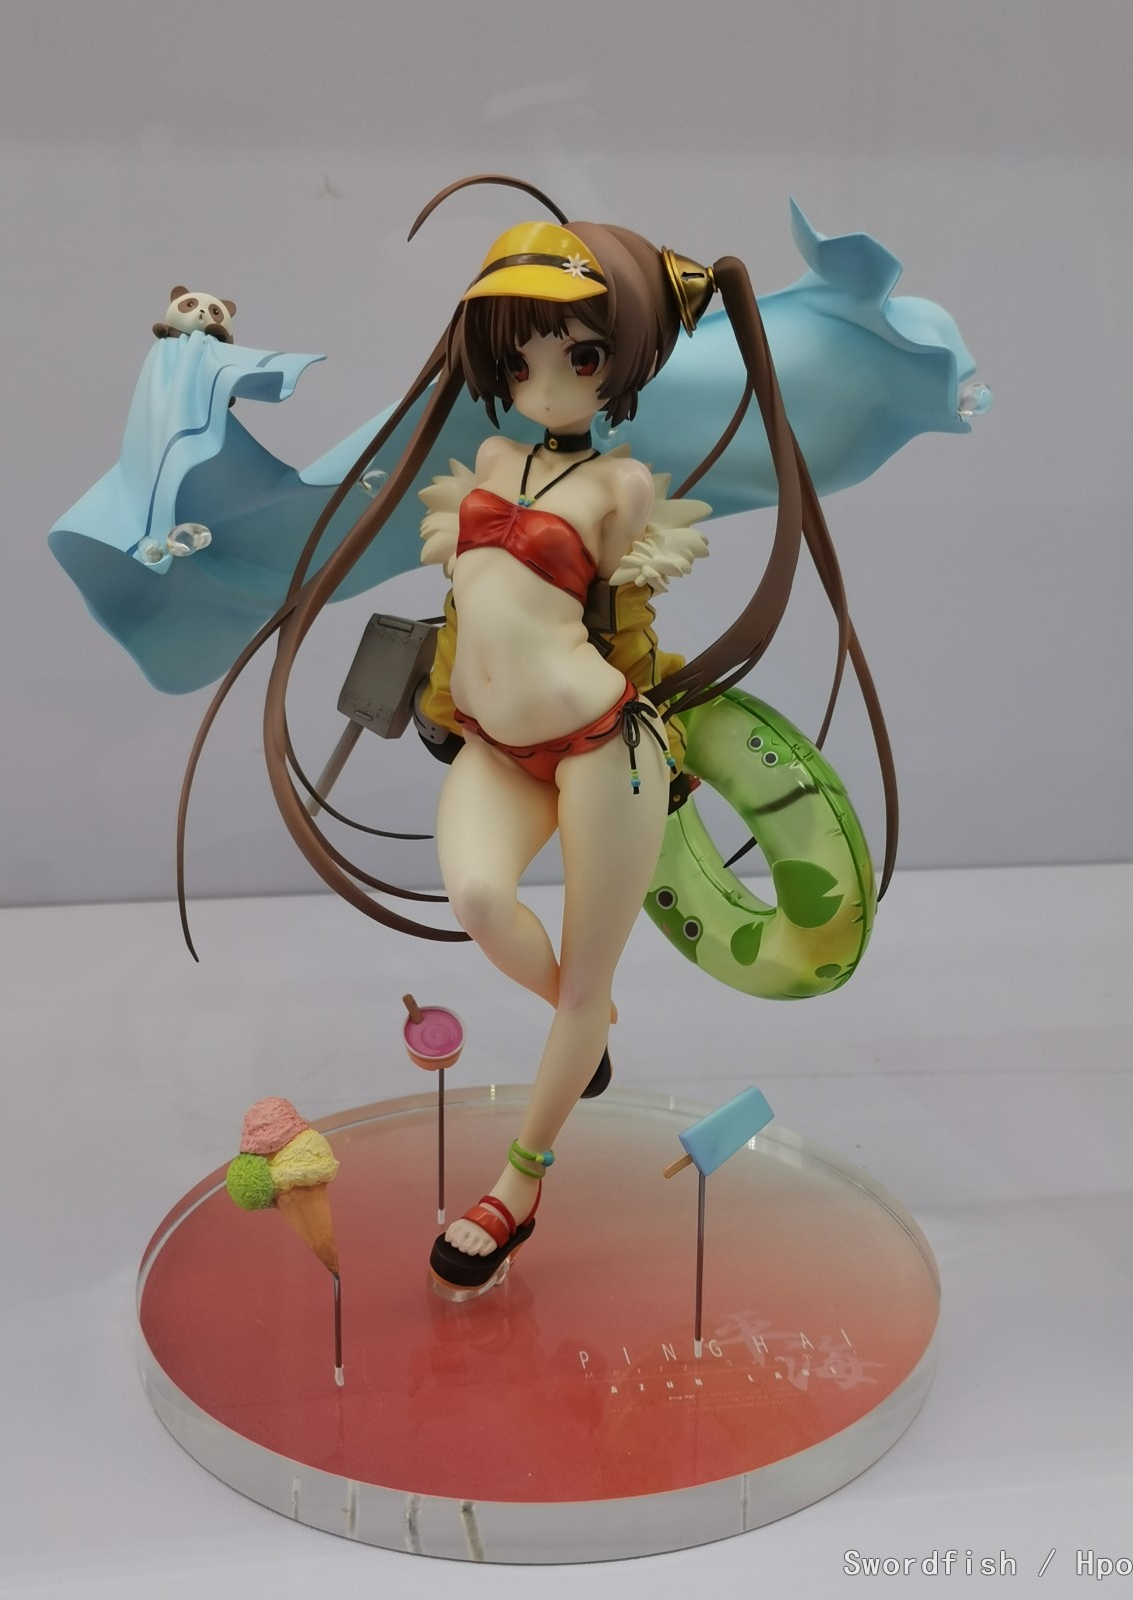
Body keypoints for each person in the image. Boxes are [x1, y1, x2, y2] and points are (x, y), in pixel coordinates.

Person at [180, 174, 895, 1299]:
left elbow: (620, 610)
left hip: (602, 744)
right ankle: (586, 1020)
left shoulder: (622, 483)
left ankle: (515, 1187)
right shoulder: (488, 463)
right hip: (493, 746)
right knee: (477, 902)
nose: (545, 382)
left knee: (576, 977)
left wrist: (653, 701)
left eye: (581, 356)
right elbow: (469, 595)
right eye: (519, 361)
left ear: (622, 362)